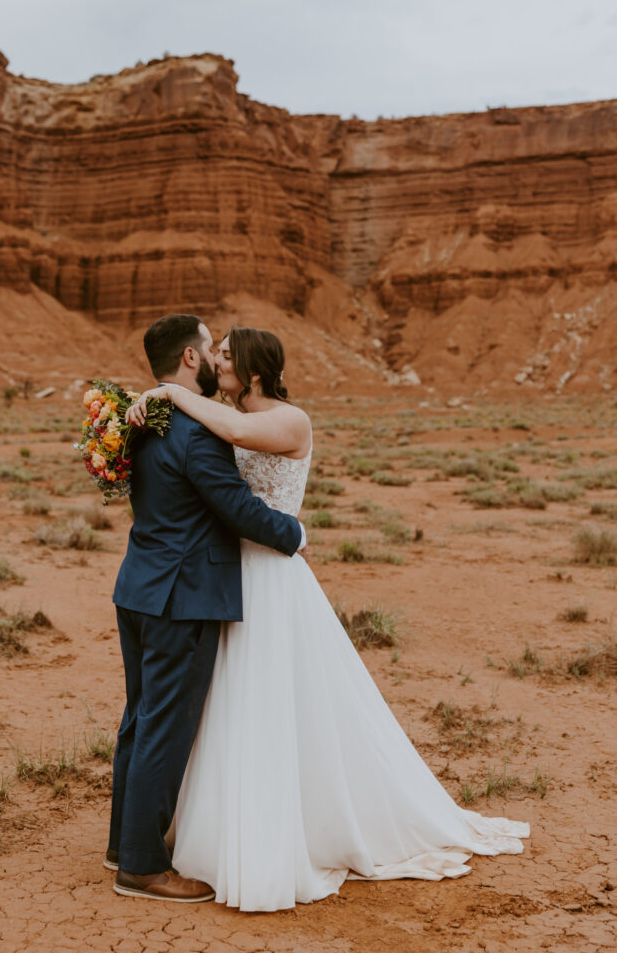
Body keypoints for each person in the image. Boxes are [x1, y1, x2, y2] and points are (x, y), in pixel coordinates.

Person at [126, 325, 530, 913]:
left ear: (255, 372)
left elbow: (238, 434)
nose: (218, 361)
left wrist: (166, 393)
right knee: (230, 705)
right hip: (225, 578)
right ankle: (210, 828)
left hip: (271, 576)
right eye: (214, 353)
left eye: (229, 356)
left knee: (280, 701)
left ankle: (290, 828)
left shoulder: (291, 420)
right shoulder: (214, 413)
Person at [108, 315, 305, 903]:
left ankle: (123, 841)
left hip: (138, 586)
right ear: (191, 359)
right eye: (209, 349)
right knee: (165, 730)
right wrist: (294, 535)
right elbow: (237, 510)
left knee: (138, 720)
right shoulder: (196, 434)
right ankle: (143, 867)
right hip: (183, 596)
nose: (217, 358)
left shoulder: (143, 422)